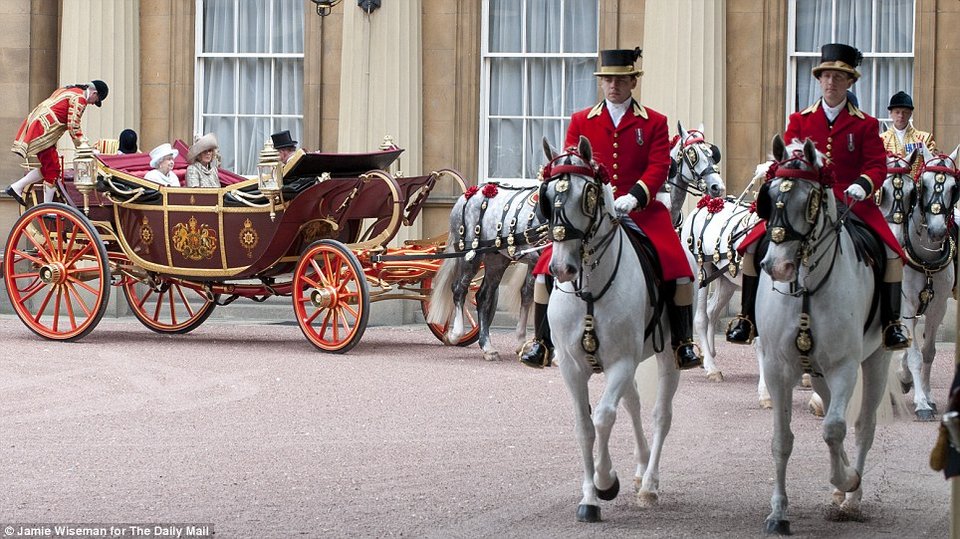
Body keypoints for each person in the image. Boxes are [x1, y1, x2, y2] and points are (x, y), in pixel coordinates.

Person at [519, 47, 702, 371]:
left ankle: (683, 343)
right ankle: (542, 342)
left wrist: (635, 196)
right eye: (607, 80)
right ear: (602, 83)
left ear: (633, 82)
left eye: (620, 80)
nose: (613, 86)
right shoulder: (581, 121)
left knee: (679, 266)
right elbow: (572, 167)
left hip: (641, 211)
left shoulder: (655, 122)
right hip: (590, 214)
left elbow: (659, 165)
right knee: (545, 267)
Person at [726, 43, 910, 350]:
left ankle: (891, 325)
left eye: (838, 77)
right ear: (819, 79)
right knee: (752, 246)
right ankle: (746, 318)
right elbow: (786, 158)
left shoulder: (866, 124)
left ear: (850, 81)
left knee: (891, 253)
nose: (831, 82)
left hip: (851, 201)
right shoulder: (800, 120)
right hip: (803, 201)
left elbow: (877, 165)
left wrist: (863, 185)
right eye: (826, 76)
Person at [6, 80, 108, 205]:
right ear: (95, 93)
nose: (93, 104)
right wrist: (84, 147)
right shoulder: (80, 99)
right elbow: (73, 126)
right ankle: (47, 207)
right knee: (53, 170)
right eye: (96, 100)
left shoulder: (71, 90)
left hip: (41, 129)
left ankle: (17, 187)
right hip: (44, 133)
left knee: (48, 168)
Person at [881, 91, 937, 176]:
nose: (901, 115)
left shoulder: (925, 138)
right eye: (897, 112)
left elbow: (931, 167)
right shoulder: (880, 140)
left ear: (910, 114)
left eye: (905, 112)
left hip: (917, 187)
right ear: (891, 113)